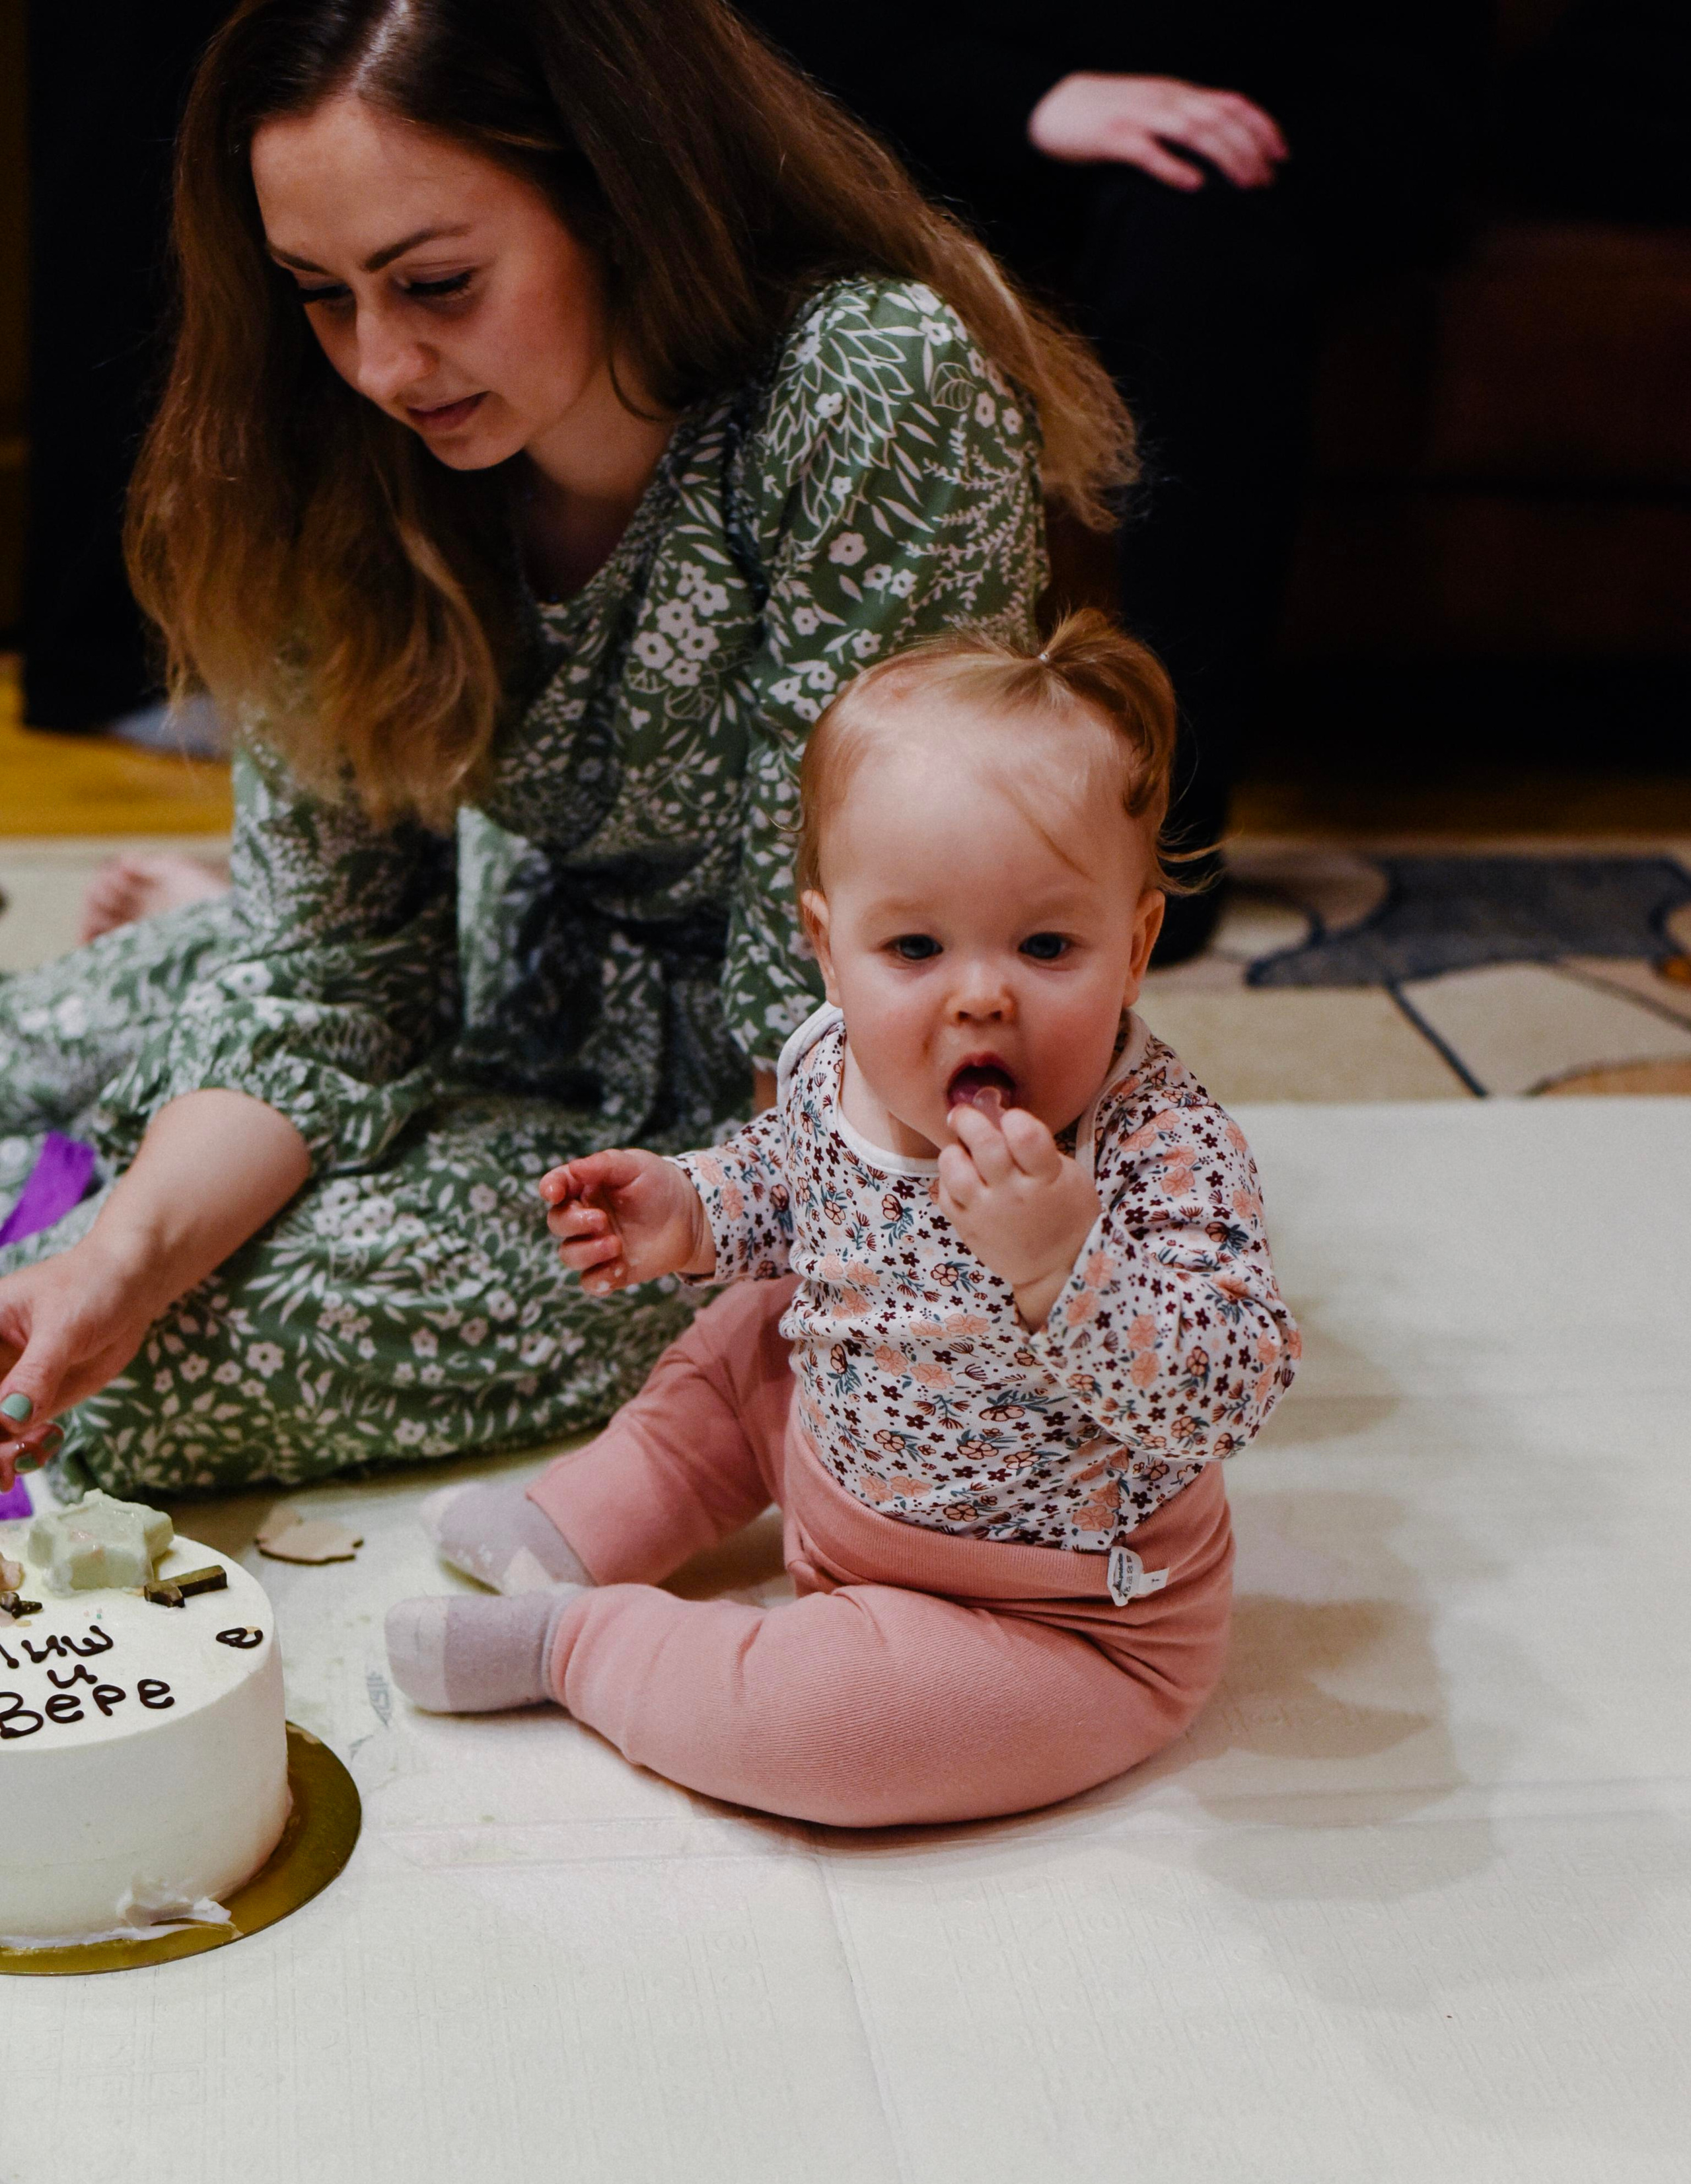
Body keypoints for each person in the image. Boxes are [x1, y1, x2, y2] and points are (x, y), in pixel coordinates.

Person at [0, 0, 1133, 1501]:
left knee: (150, 1369)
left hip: (755, 1127)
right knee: (93, 1241)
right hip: (495, 966)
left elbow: (838, 1009)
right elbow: (327, 981)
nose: (384, 361)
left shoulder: (867, 382)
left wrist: (130, 1288)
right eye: (319, 295)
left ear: (619, 189)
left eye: (438, 284)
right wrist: (123, 1251)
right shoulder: (322, 444)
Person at [385, 614, 1299, 1827]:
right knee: (742, 1340)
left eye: (1047, 944)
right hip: (828, 1447)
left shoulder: (1160, 1148)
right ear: (830, 949)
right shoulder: (835, 1065)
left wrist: (1067, 1267)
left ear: (1134, 950)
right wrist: (694, 1210)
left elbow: (1231, 1386)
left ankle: (575, 1647)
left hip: (1057, 1613)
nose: (982, 993)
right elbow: (791, 1176)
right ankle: (578, 1521)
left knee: (830, 1737)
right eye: (915, 946)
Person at [738, 3, 1486, 961]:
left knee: (1200, 228)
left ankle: (1160, 832)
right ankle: (843, 837)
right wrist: (1038, 102)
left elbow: (1419, 90)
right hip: (955, 113)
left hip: (1264, 143)